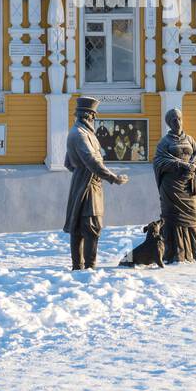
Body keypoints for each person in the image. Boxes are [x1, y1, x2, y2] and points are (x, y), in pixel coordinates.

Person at [63, 96, 129, 270]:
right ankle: (87, 267)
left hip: (84, 181)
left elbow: (68, 163)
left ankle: (79, 266)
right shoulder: (79, 134)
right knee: (91, 225)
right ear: (88, 115)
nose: (94, 119)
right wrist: (113, 178)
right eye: (93, 115)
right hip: (88, 184)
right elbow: (92, 161)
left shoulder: (81, 132)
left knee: (81, 224)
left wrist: (80, 173)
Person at [152, 108, 196, 263]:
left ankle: (194, 253)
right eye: (174, 120)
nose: (177, 122)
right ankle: (175, 254)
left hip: (188, 186)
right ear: (169, 123)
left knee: (191, 217)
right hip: (171, 187)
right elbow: (159, 161)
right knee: (173, 218)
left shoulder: (190, 139)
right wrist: (178, 163)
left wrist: (194, 165)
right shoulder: (165, 142)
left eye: (179, 119)